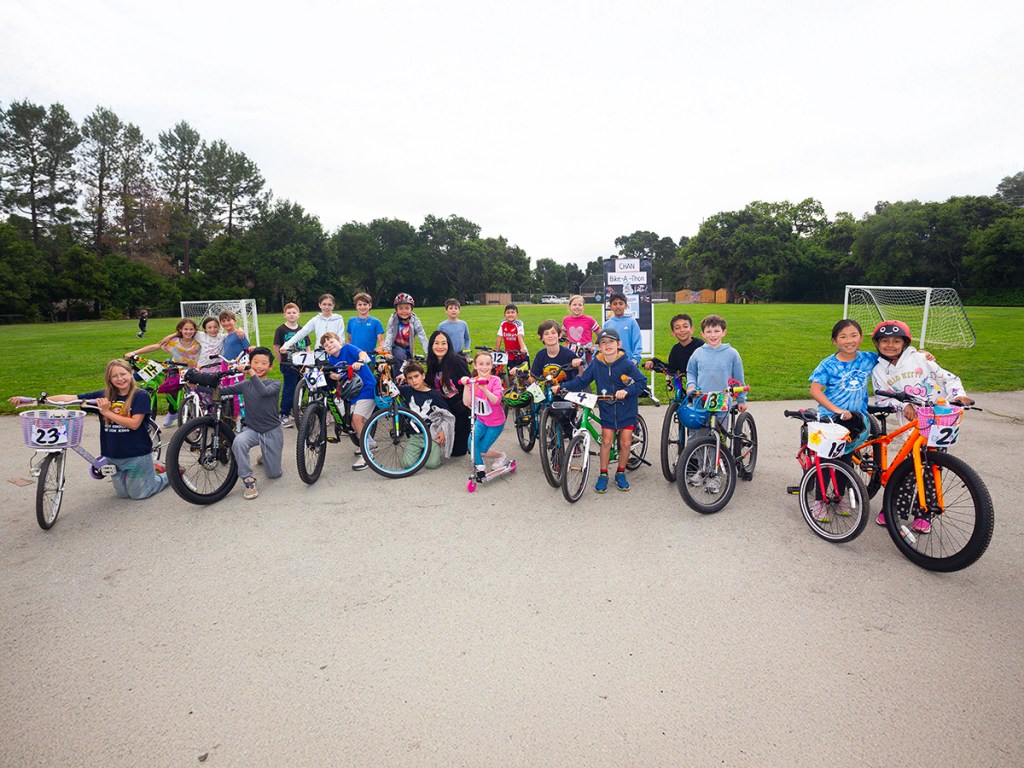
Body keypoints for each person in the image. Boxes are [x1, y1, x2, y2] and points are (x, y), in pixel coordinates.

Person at [9, 360, 168, 500]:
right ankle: (148, 473)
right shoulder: (103, 396)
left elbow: (134, 424)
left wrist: (106, 412)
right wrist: (33, 401)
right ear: (109, 379)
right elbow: (69, 398)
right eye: (114, 376)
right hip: (113, 454)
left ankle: (169, 474)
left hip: (137, 454)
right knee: (123, 494)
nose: (120, 379)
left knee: (140, 494)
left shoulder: (140, 395)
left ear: (131, 373)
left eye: (123, 374)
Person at [871, 320, 969, 532]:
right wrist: (904, 404)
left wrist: (958, 395)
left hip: (938, 421)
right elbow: (882, 397)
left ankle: (925, 513)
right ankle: (894, 509)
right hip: (911, 425)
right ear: (877, 344)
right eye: (885, 341)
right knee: (908, 469)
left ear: (905, 343)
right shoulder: (878, 370)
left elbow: (949, 379)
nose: (890, 345)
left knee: (932, 469)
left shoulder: (921, 359)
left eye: (896, 341)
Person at [556, 328, 647, 492]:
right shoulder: (596, 364)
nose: (607, 345)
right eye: (603, 343)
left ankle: (620, 473)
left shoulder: (626, 363)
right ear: (598, 347)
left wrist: (627, 391)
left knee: (625, 442)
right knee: (606, 441)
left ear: (619, 344)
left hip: (626, 408)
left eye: (611, 342)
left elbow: (641, 382)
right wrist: (563, 387)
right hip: (607, 407)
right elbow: (582, 380)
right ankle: (603, 474)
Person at [807, 319, 877, 522]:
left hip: (855, 420)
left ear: (861, 338)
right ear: (835, 341)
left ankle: (838, 497)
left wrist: (920, 354)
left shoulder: (868, 359)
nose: (849, 340)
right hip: (831, 419)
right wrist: (837, 410)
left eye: (854, 335)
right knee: (826, 460)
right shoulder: (828, 364)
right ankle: (819, 501)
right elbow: (815, 390)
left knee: (846, 459)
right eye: (843, 337)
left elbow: (893, 356)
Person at [218, 347, 284, 500]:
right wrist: (197, 385)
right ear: (250, 362)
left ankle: (265, 455)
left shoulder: (275, 383)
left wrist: (251, 372)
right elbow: (221, 391)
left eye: (264, 363)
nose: (259, 366)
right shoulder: (245, 385)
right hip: (253, 430)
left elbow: (264, 392)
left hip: (272, 430)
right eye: (255, 362)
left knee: (274, 474)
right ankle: (248, 479)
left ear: (270, 367)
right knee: (238, 442)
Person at [127, 318, 201, 426]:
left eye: (191, 329)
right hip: (177, 368)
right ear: (180, 329)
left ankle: (197, 414)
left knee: (197, 393)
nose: (188, 332)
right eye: (185, 329)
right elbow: (156, 346)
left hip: (195, 369)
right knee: (170, 388)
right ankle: (173, 411)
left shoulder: (199, 340)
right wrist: (134, 352)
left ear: (195, 330)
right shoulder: (173, 341)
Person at [320, 332, 375, 471]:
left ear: (339, 341)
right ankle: (369, 443)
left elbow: (362, 353)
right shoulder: (332, 359)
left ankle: (367, 454)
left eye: (331, 342)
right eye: (326, 345)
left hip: (366, 388)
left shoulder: (348, 348)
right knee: (352, 421)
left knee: (357, 419)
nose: (329, 346)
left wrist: (360, 361)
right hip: (354, 392)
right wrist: (336, 376)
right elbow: (343, 374)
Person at [398, 361, 456, 469]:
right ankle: (420, 450)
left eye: (416, 376)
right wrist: (387, 373)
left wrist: (443, 431)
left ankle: (429, 450)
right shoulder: (407, 390)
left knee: (432, 464)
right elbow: (390, 388)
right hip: (415, 436)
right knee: (407, 464)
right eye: (410, 378)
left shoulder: (433, 394)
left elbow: (447, 414)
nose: (414, 380)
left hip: (431, 435)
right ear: (406, 380)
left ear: (423, 376)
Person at [686, 314, 747, 412]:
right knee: (698, 421)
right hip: (700, 399)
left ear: (724, 332)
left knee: (720, 421)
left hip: (723, 400)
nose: (713, 335)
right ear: (703, 334)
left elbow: (738, 378)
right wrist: (691, 386)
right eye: (708, 332)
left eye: (717, 331)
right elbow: (691, 372)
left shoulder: (732, 354)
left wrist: (741, 400)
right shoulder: (698, 353)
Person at [462, 349, 508, 481]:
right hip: (481, 420)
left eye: (488, 364)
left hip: (495, 423)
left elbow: (496, 401)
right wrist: (466, 386)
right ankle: (480, 467)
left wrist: (484, 389)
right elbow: (467, 402)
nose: (484, 367)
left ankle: (501, 456)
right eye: (481, 364)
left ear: (492, 365)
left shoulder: (495, 380)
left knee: (482, 449)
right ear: (475, 366)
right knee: (471, 444)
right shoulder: (473, 381)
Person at [425, 330, 472, 458]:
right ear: (431, 345)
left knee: (458, 452)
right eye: (436, 343)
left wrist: (464, 405)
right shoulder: (432, 363)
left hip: (460, 408)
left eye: (443, 343)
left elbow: (469, 382)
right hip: (443, 408)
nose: (440, 347)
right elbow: (427, 381)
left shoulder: (457, 361)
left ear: (448, 345)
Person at [273, 303, 314, 428]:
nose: (291, 315)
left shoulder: (303, 330)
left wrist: (309, 362)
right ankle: (284, 414)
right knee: (289, 389)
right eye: (289, 313)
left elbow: (307, 347)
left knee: (301, 388)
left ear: (298, 314)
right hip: (289, 364)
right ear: (284, 315)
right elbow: (276, 347)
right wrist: (280, 361)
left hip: (302, 365)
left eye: (294, 312)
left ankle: (296, 409)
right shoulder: (281, 330)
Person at [280, 293, 345, 354]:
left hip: (335, 353)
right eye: (324, 304)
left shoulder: (338, 319)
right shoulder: (316, 320)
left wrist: (334, 349)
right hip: (320, 354)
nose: (327, 307)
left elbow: (341, 338)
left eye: (329, 305)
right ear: (319, 305)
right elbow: (302, 332)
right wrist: (286, 345)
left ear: (333, 306)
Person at [382, 292, 429, 362]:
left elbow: (422, 336)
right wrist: (386, 351)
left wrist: (428, 353)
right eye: (400, 308)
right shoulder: (393, 319)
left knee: (411, 366)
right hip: (396, 349)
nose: (404, 311)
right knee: (400, 355)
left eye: (407, 308)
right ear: (396, 310)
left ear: (412, 309)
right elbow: (389, 334)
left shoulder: (414, 320)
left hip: (409, 350)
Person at [601, 292, 642, 366]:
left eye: (621, 303)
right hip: (612, 363)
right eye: (615, 304)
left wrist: (635, 359)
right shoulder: (607, 324)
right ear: (610, 306)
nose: (618, 306)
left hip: (629, 362)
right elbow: (602, 344)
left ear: (626, 305)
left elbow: (637, 342)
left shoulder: (632, 322)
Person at [562, 295, 600, 363]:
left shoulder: (589, 320)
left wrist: (595, 346)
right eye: (574, 305)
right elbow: (564, 335)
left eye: (580, 305)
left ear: (583, 307)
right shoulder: (566, 320)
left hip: (587, 350)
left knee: (587, 367)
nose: (577, 307)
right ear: (570, 306)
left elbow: (600, 334)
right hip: (571, 350)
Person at [496, 303, 529, 368]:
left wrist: (522, 348)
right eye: (508, 313)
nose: (510, 314)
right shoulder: (503, 323)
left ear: (517, 315)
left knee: (523, 372)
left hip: (520, 354)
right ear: (504, 315)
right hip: (509, 354)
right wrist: (497, 349)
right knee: (510, 372)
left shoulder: (518, 323)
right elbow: (499, 336)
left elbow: (520, 336)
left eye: (512, 312)